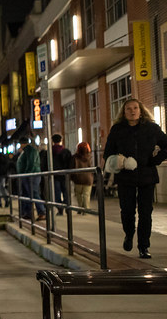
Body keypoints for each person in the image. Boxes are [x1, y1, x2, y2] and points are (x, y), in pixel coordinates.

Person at [103, 98, 167, 258]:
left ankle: (144, 246)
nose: (132, 111)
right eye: (129, 109)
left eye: (135, 108)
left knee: (146, 213)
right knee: (127, 211)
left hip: (147, 176)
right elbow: (107, 153)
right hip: (125, 177)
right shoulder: (117, 130)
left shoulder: (152, 128)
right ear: (124, 113)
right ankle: (129, 234)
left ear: (141, 110)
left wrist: (155, 160)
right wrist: (119, 161)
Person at [15, 136, 45, 221]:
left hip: (31, 175)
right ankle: (28, 213)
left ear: (22, 143)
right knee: (27, 194)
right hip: (28, 175)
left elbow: (31, 163)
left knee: (33, 193)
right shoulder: (27, 150)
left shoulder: (29, 150)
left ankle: (42, 212)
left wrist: (26, 173)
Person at [50, 134, 73, 215]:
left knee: (57, 194)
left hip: (55, 176)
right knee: (66, 192)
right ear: (61, 140)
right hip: (65, 175)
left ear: (52, 141)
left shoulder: (50, 152)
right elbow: (70, 164)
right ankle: (67, 207)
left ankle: (60, 209)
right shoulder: (66, 151)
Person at [70, 141, 94, 211]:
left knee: (79, 194)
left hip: (78, 178)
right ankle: (86, 209)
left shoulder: (74, 157)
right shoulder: (89, 156)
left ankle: (80, 209)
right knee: (86, 195)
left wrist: (72, 177)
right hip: (88, 179)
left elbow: (71, 168)